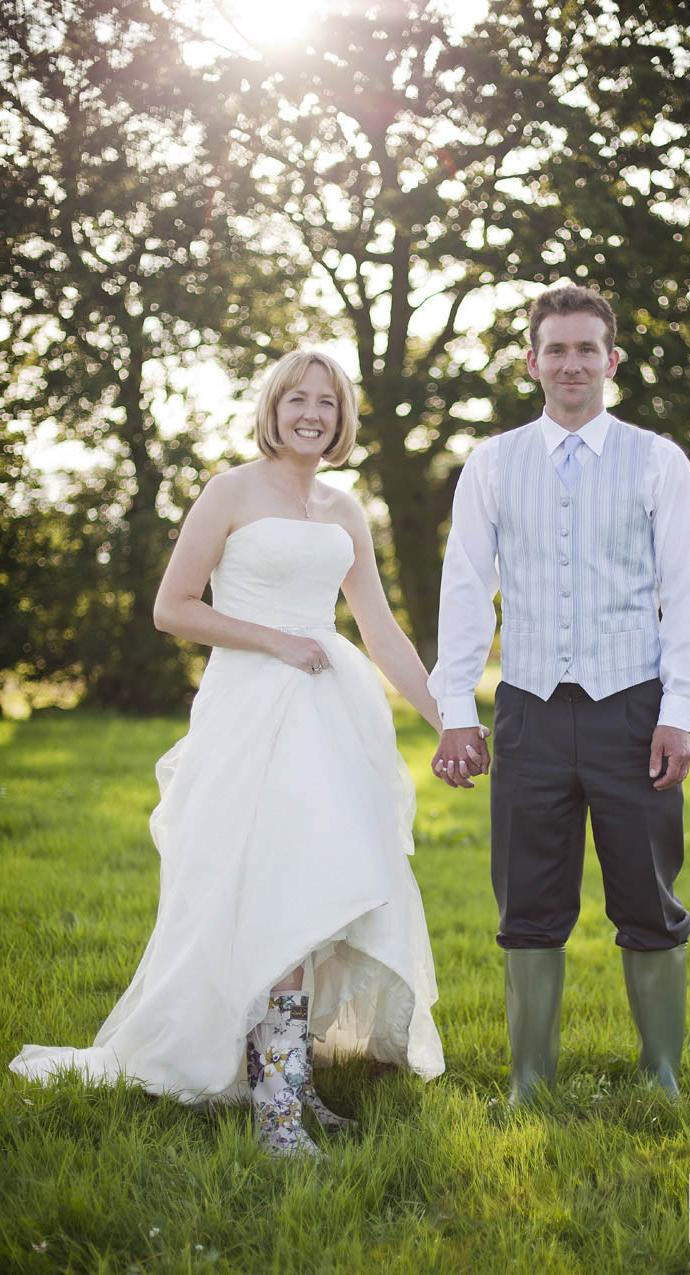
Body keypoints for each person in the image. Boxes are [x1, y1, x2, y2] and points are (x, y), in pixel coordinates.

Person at [10, 349, 450, 1158]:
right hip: (252, 706)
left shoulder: (345, 506)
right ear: (273, 408)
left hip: (331, 714)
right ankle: (276, 1107)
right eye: (297, 399)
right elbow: (171, 607)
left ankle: (293, 1081)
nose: (312, 413)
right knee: (267, 884)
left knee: (314, 891)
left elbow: (380, 630)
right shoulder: (230, 491)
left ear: (343, 418)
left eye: (327, 401)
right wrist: (275, 640)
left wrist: (448, 718)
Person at [428, 284, 690, 1102]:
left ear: (612, 360)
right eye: (556, 348)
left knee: (648, 895)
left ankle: (660, 1072)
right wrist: (457, 713)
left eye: (588, 348)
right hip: (529, 709)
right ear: (532, 362)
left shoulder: (658, 460)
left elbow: (686, 593)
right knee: (527, 898)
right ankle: (529, 1079)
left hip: (634, 707)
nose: (572, 363)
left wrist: (678, 713)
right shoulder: (491, 464)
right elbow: (463, 591)